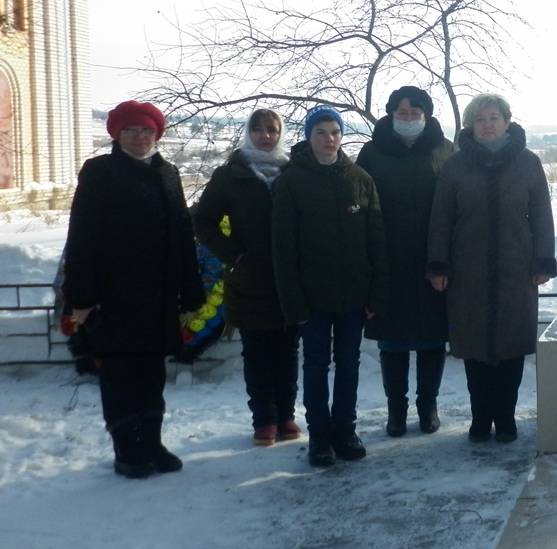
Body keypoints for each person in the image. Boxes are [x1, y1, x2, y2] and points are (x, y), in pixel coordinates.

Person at [62, 100, 204, 478]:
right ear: (117, 135)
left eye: (146, 131)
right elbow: (82, 237)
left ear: (157, 134)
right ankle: (127, 449)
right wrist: (80, 297)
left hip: (159, 296)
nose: (140, 137)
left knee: (152, 373)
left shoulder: (168, 174)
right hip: (116, 296)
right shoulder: (100, 173)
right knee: (121, 374)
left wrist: (191, 291)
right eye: (132, 131)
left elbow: (182, 238)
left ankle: (152, 442)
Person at [427, 94, 557, 444]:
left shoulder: (527, 163)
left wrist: (543, 260)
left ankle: (507, 416)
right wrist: (438, 264)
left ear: (507, 122)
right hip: (467, 270)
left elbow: (542, 214)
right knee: (475, 349)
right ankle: (481, 417)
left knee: (511, 347)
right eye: (480, 119)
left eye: (494, 117)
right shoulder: (455, 166)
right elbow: (441, 218)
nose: (487, 124)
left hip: (517, 268)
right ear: (471, 125)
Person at [272, 106, 388, 467]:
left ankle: (345, 429)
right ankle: (319, 435)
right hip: (312, 296)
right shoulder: (291, 181)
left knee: (349, 364)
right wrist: (293, 302)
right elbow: (283, 247)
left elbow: (376, 241)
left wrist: (375, 293)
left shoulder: (359, 179)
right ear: (308, 136)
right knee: (316, 364)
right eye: (320, 132)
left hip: (353, 295)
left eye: (334, 132)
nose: (328, 139)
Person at [193, 109, 300, 447]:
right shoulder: (230, 175)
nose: (265, 136)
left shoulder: (293, 172)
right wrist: (235, 254)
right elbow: (204, 221)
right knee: (257, 352)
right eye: (258, 130)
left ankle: (286, 415)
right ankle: (264, 420)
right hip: (251, 279)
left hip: (289, 279)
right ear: (248, 133)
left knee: (287, 351)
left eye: (272, 130)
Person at [356, 86, 455, 437]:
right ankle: (395, 410)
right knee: (393, 342)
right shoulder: (372, 152)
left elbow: (455, 205)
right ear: (391, 115)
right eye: (402, 112)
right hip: (388, 259)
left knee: (431, 339)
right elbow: (359, 206)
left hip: (434, 259)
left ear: (426, 116)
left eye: (415, 113)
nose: (409, 118)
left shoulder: (445, 151)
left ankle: (427, 406)